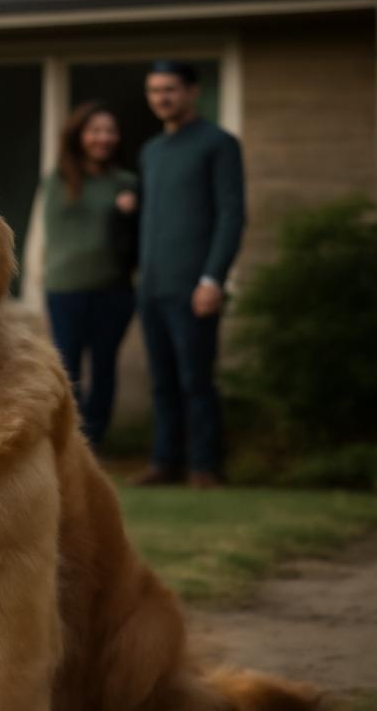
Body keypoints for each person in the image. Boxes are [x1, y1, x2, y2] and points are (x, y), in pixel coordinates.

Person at [130, 60, 246, 489]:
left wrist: (212, 279)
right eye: (154, 90)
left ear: (192, 91)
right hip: (152, 286)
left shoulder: (218, 143)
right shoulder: (151, 151)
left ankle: (205, 466)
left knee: (196, 380)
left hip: (194, 286)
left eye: (170, 89)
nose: (161, 98)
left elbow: (231, 215)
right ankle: (165, 462)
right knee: (162, 382)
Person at [39, 102, 138, 447]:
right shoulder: (59, 179)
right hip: (66, 289)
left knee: (104, 366)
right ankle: (70, 440)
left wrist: (129, 212)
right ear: (79, 136)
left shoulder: (126, 183)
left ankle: (95, 441)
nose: (103, 138)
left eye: (109, 131)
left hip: (114, 290)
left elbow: (136, 239)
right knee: (68, 368)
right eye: (95, 130)